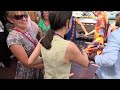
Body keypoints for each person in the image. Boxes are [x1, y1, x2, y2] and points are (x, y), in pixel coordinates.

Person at [28, 11, 90, 79]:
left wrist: (48, 58)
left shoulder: (44, 39)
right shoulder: (69, 46)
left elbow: (30, 61)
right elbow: (86, 64)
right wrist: (84, 52)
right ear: (67, 23)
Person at [6, 11, 43, 79]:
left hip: (39, 66)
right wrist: (47, 65)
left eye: (25, 15)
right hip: (28, 71)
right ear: (11, 20)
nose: (24, 19)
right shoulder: (13, 38)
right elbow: (26, 63)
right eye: (18, 17)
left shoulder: (29, 29)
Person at [86, 13, 120, 79]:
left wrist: (91, 57)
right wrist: (105, 47)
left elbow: (109, 60)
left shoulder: (116, 35)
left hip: (108, 75)